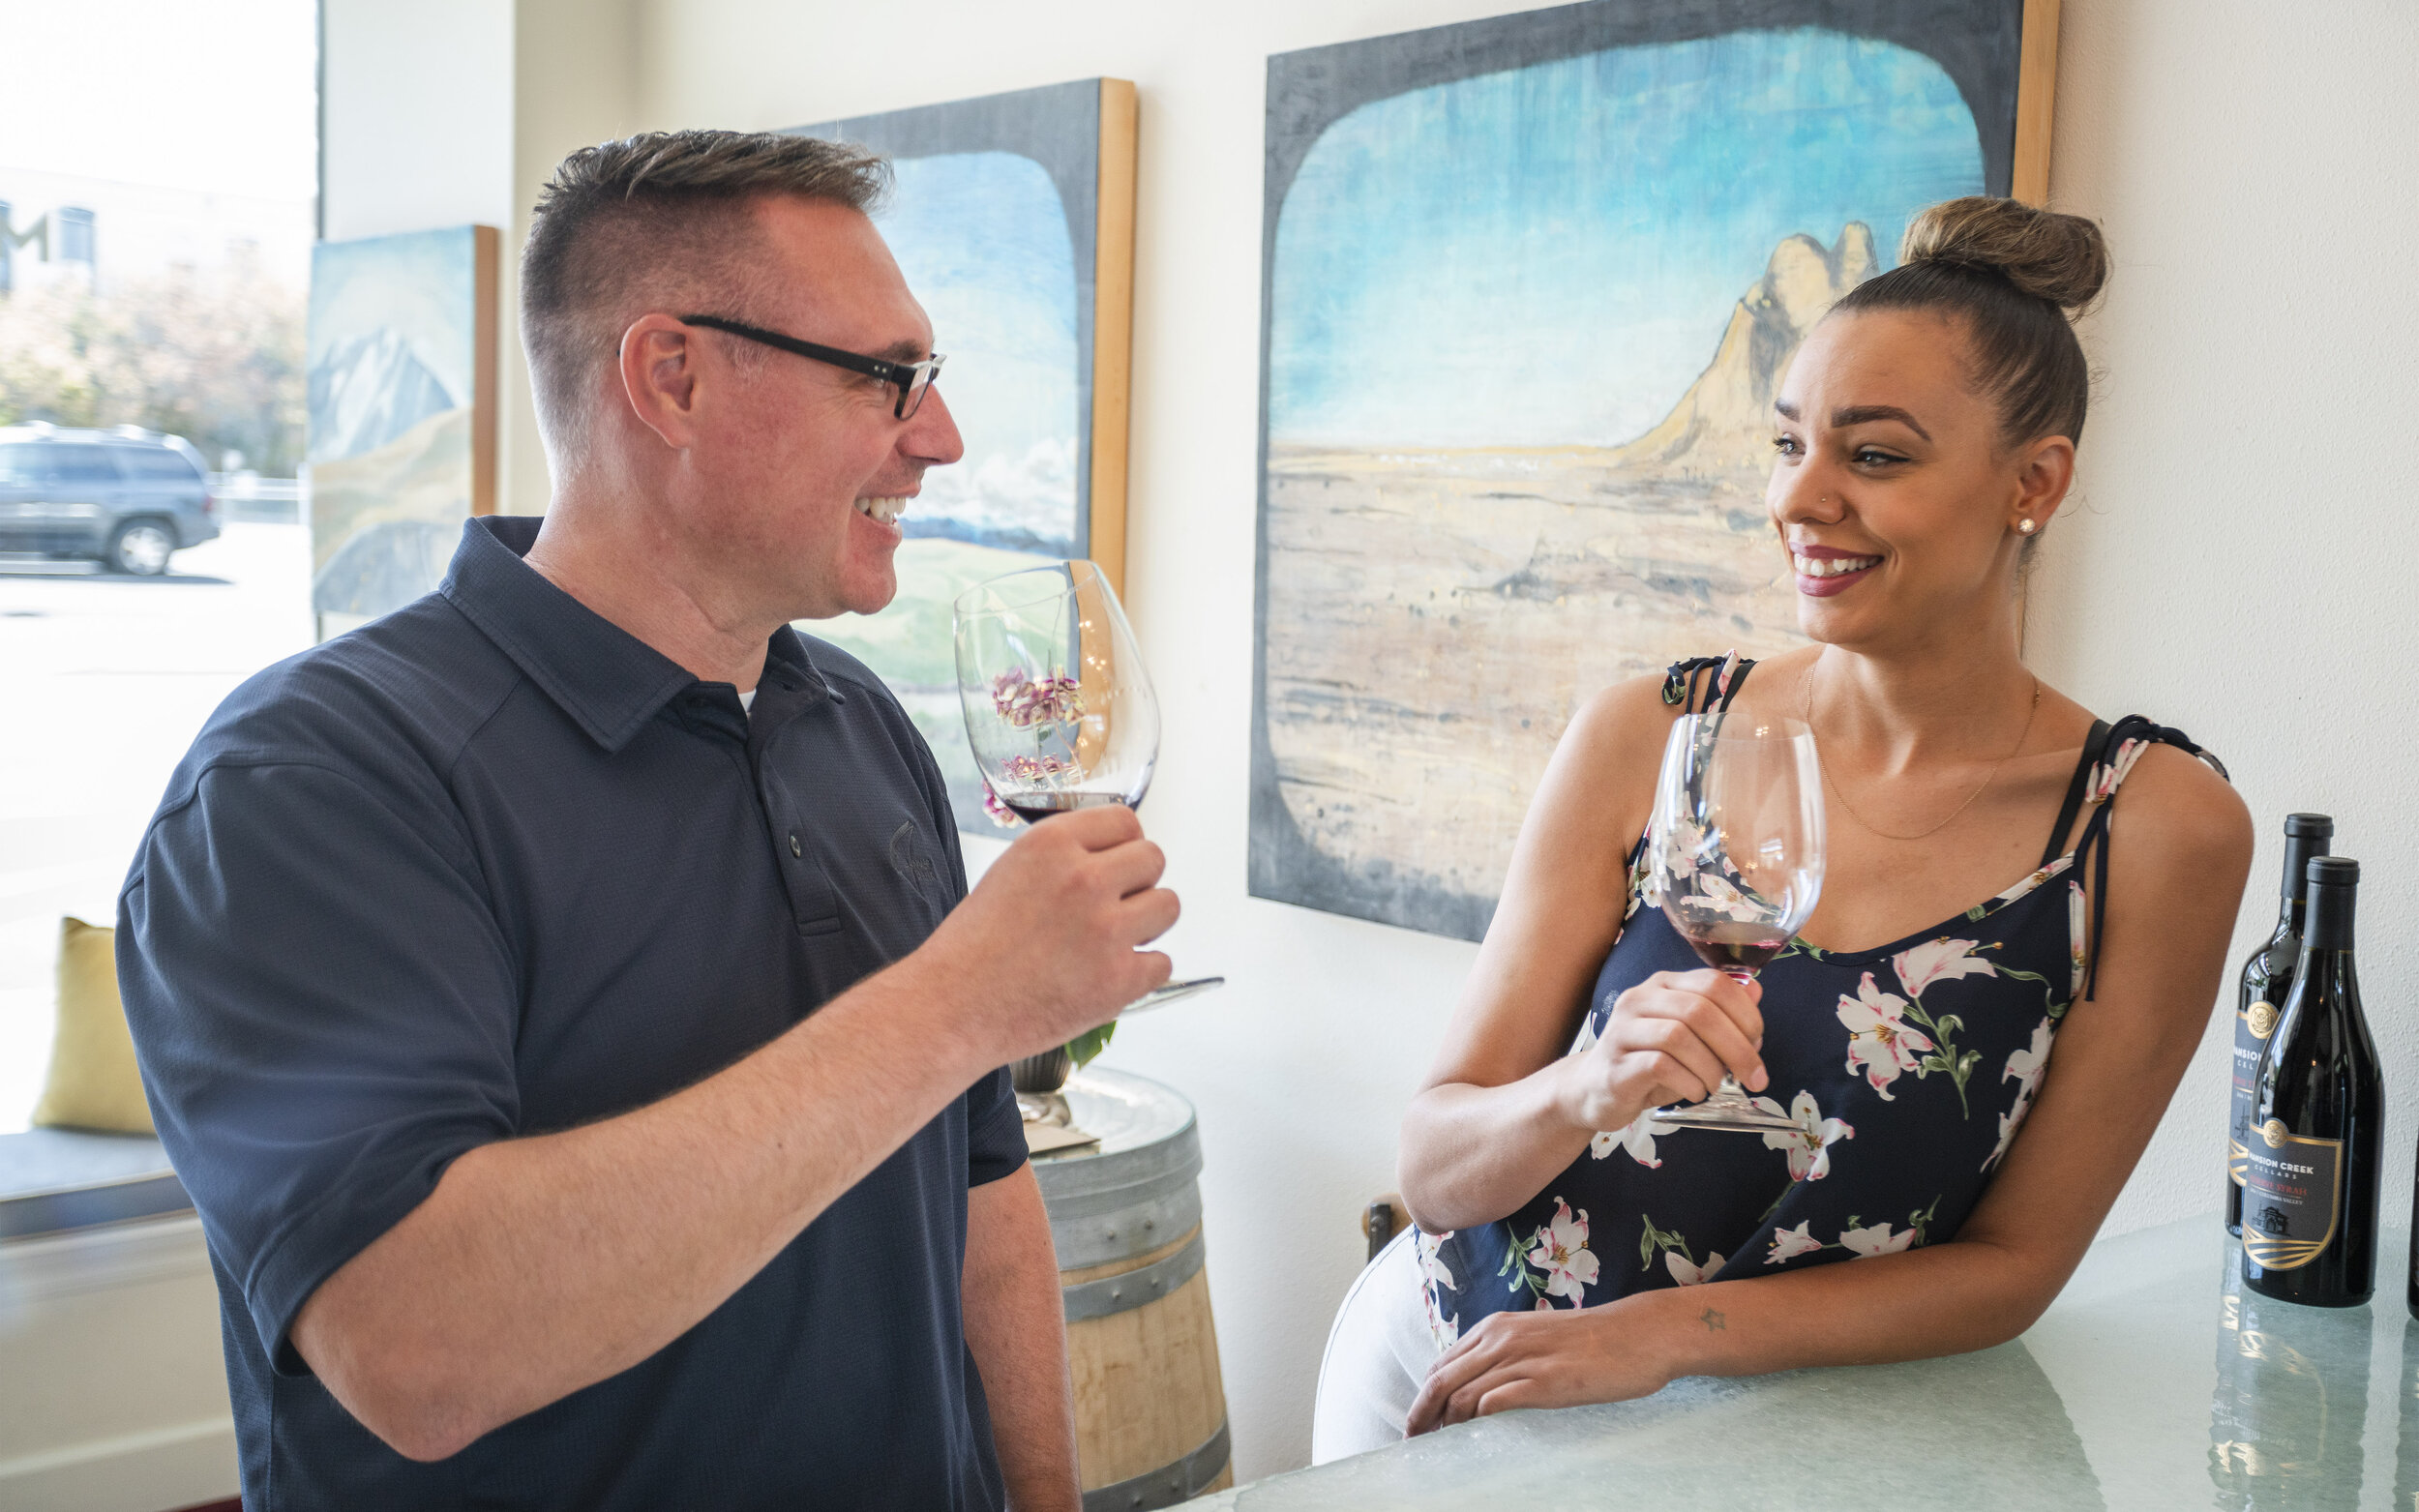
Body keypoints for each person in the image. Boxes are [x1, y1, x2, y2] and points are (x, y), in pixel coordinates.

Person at [116, 131, 1177, 1511]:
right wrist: (962, 1002)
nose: (940, 438)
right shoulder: (310, 783)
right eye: (887, 378)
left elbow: (983, 1208)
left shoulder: (858, 725)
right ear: (669, 377)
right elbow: (416, 1344)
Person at [1311, 197, 2253, 1456]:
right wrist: (1586, 1088)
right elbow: (1434, 1168)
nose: (1798, 499)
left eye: (1873, 457)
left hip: (1781, 1450)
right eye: (1787, 444)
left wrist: (1656, 1336)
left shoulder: (2149, 825)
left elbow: (2014, 1267)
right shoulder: (1650, 734)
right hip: (1458, 1375)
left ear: (2035, 481)